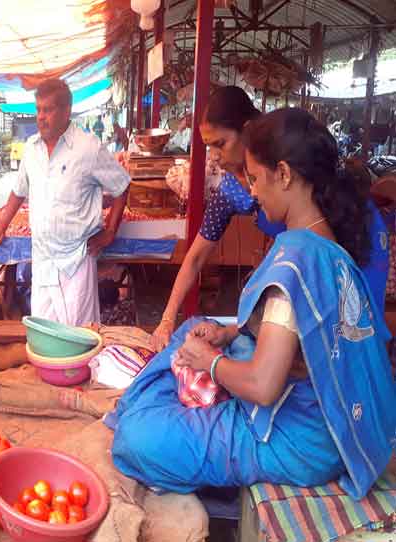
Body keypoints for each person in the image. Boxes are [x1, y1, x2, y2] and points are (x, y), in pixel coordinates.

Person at [110, 108, 396, 500]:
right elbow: (301, 338)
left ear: (284, 173)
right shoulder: (329, 248)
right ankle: (157, 401)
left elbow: (263, 386)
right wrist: (229, 334)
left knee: (134, 438)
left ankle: (143, 410)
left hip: (299, 437)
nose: (252, 191)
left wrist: (208, 362)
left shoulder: (298, 260)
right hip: (329, 422)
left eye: (256, 178)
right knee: (188, 330)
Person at [151, 86, 389, 351]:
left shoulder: (289, 161)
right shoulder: (231, 188)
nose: (214, 157)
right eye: (209, 147)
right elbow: (195, 257)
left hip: (355, 236)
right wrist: (166, 320)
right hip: (311, 262)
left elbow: (264, 385)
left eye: (220, 144)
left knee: (356, 334)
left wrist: (216, 362)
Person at [0, 78, 130, 326]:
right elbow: (19, 191)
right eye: (38, 109)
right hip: (42, 261)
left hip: (76, 261)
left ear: (66, 111)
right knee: (45, 334)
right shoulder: (31, 149)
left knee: (78, 337)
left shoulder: (88, 148)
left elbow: (122, 185)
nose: (41, 117)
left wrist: (110, 231)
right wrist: (0, 226)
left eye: (48, 110)